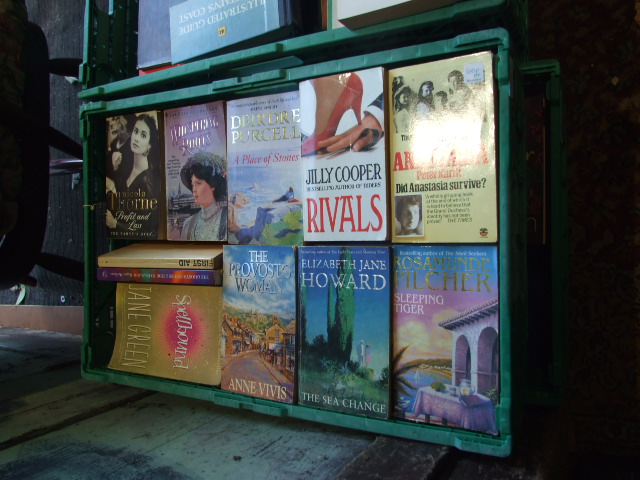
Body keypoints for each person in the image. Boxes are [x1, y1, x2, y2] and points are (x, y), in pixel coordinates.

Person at [106, 112, 160, 231]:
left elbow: (147, 228)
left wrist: (116, 224)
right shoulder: (126, 163)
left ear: (149, 145)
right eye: (135, 131)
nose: (136, 138)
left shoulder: (147, 182)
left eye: (143, 135)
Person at [179, 151, 228, 241]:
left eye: (198, 183)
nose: (194, 189)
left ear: (212, 185)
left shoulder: (226, 220)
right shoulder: (188, 223)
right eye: (193, 184)